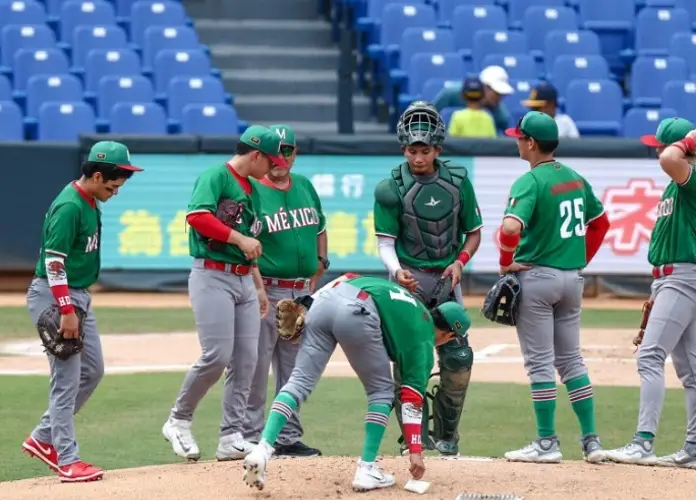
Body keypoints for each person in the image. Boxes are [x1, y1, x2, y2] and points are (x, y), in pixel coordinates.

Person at [241, 273, 472, 492]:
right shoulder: (423, 341)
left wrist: (310, 302)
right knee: (381, 394)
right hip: (356, 312)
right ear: (450, 335)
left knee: (298, 382)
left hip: (326, 300)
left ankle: (262, 450)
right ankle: (367, 469)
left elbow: (348, 277)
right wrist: (415, 452)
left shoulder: (408, 300)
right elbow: (411, 400)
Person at [162, 125, 287, 462]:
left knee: (247, 360)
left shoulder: (253, 189)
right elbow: (197, 216)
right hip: (212, 275)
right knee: (216, 355)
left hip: (244, 279)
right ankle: (178, 420)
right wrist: (238, 239)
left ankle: (231, 436)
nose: (274, 167)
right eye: (271, 160)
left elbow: (250, 245)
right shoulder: (216, 175)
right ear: (256, 154)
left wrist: (259, 286)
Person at [21, 141, 143, 482]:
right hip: (56, 296)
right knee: (66, 379)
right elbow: (54, 261)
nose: (116, 191)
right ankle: (68, 460)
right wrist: (66, 310)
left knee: (93, 370)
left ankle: (43, 438)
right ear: (98, 174)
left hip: (76, 295)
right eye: (113, 184)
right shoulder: (70, 206)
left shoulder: (89, 201)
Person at [499, 111, 611, 463]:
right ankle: (591, 441)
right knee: (572, 362)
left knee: (541, 364)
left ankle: (547, 443)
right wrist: (580, 259)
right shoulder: (575, 178)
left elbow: (511, 228)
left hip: (537, 279)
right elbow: (601, 222)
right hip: (571, 279)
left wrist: (505, 263)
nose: (517, 141)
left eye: (520, 137)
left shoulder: (529, 181)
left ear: (531, 143)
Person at [372, 100, 483, 456]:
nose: (417, 158)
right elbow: (385, 242)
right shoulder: (391, 186)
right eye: (411, 150)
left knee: (459, 356)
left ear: (437, 148)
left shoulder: (458, 180)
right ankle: (412, 438)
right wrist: (396, 271)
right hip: (409, 280)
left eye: (424, 150)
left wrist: (461, 262)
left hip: (447, 280)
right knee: (408, 360)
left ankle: (448, 436)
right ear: (403, 148)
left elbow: (474, 232)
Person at [604, 119, 696, 470]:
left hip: (682, 280)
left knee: (650, 357)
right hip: (672, 281)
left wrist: (682, 143)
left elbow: (668, 158)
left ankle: (643, 442)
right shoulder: (675, 186)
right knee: (690, 370)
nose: (655, 149)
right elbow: (668, 160)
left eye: (660, 144)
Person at [242, 124, 327, 457]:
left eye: (287, 150)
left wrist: (320, 266)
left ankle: (286, 436)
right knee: (255, 364)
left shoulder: (304, 185)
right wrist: (258, 288)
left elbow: (320, 226)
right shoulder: (251, 190)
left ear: (296, 154)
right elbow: (246, 246)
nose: (281, 158)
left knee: (293, 368)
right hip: (269, 290)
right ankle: (248, 436)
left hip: (301, 291)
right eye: (275, 152)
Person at [435, 65, 514, 132]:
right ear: (484, 87)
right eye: (496, 93)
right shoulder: (451, 94)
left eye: (502, 94)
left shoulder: (501, 114)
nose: (499, 98)